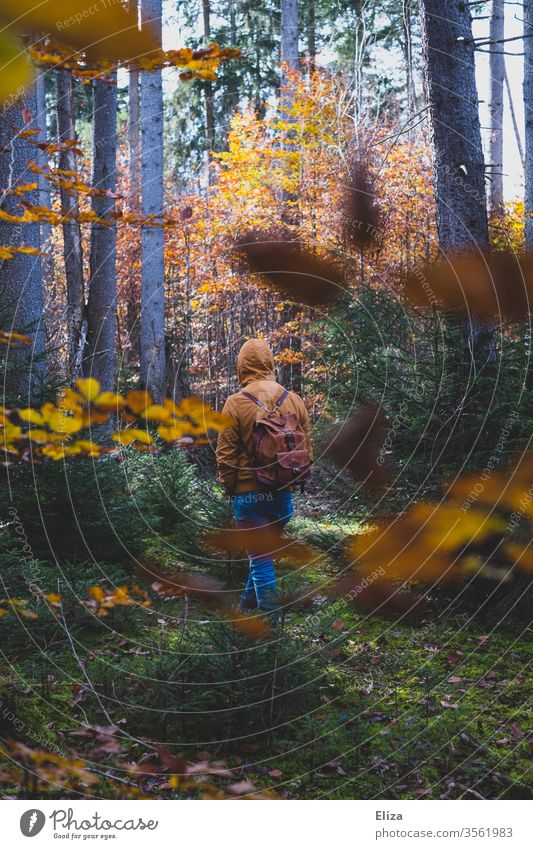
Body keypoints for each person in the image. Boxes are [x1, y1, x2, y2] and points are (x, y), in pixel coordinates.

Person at [216, 339, 313, 613]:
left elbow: (225, 456)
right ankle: (246, 609)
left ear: (242, 366)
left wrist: (232, 489)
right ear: (270, 364)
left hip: (250, 496)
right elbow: (307, 450)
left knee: (260, 561)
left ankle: (270, 636)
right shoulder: (294, 400)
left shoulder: (235, 403)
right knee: (262, 558)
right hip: (283, 498)